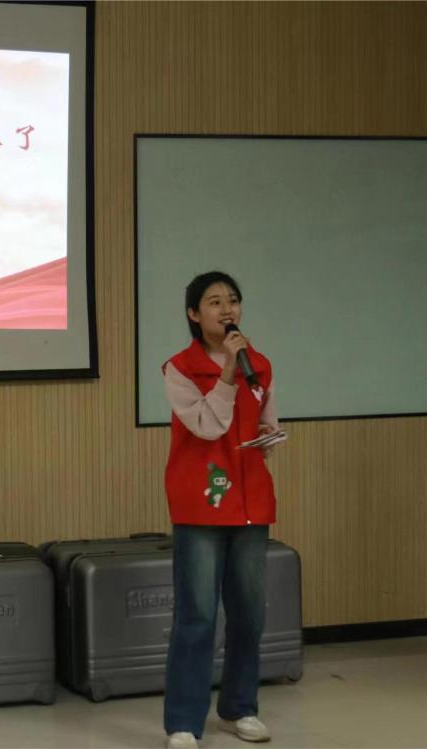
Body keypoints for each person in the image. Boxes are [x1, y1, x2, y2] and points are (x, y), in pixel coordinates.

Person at [162, 271, 281, 749]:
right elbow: (208, 427)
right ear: (194, 314)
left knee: (249, 614)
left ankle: (239, 709)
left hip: (251, 502)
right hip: (202, 504)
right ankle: (183, 722)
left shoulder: (261, 365)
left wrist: (269, 435)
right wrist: (229, 373)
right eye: (214, 302)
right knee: (197, 616)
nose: (227, 309)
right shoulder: (179, 369)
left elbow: (267, 419)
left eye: (232, 300)